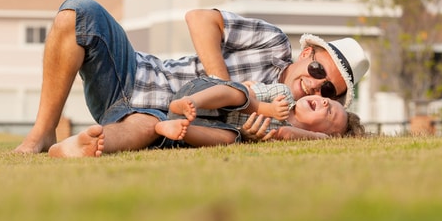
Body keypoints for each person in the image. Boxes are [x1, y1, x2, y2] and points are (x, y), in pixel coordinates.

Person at [14, 0, 369, 157]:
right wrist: (221, 81)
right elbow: (199, 18)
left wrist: (254, 130)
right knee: (79, 13)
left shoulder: (287, 116)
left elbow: (274, 133)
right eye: (318, 70)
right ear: (307, 53)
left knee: (148, 125)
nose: (315, 85)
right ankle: (41, 132)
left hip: (160, 119)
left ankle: (85, 145)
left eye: (328, 89)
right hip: (134, 74)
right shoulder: (272, 43)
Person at [153, 76, 365, 145]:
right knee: (239, 94)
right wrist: (269, 109)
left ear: (322, 133)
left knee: (231, 137)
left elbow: (285, 132)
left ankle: (177, 129)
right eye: (326, 100)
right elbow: (248, 89)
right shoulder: (283, 93)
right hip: (203, 96)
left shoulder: (287, 133)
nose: (325, 103)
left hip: (203, 124)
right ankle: (186, 102)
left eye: (330, 113)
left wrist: (318, 138)